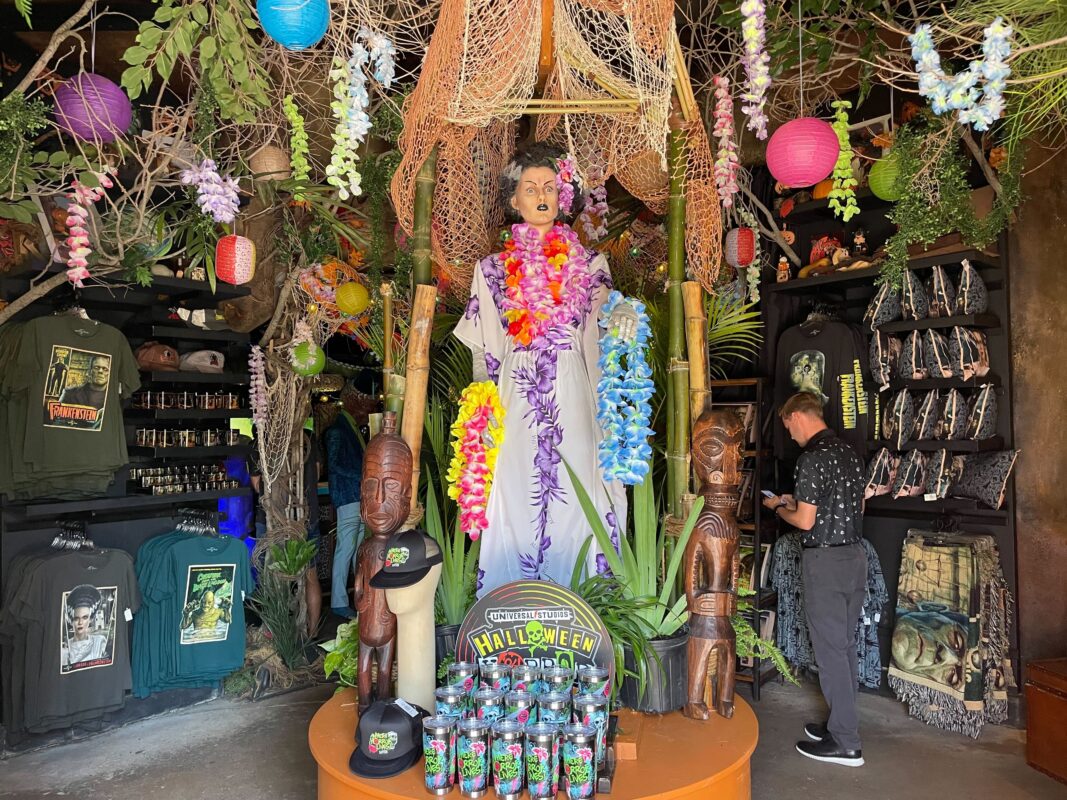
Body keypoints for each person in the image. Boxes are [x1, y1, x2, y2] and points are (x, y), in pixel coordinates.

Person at [453, 143, 635, 593]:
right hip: (516, 391)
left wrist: (626, 312)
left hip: (574, 385)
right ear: (513, 200)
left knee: (579, 486)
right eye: (529, 188)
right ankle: (511, 601)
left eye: (550, 188)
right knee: (513, 488)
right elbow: (484, 347)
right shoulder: (492, 269)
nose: (540, 195)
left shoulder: (590, 263)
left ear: (563, 197)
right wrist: (483, 414)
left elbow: (606, 318)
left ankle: (583, 600)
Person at [762, 391, 866, 768]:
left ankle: (846, 743)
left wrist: (779, 508)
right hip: (855, 556)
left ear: (799, 416)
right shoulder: (849, 454)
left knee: (831, 650)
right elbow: (854, 506)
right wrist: (798, 502)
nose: (789, 435)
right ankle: (842, 724)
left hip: (825, 560)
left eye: (788, 426)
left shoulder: (812, 459)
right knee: (846, 645)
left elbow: (805, 522)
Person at [324, 382, 374, 618]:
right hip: (348, 497)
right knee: (345, 549)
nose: (367, 411)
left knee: (356, 549)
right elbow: (334, 465)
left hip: (358, 496)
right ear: (354, 403)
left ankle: (358, 596)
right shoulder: (337, 431)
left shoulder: (350, 428)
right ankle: (338, 601)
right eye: (364, 405)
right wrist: (363, 476)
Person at [62, 585, 111, 668]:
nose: (80, 622)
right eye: (76, 618)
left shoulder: (99, 641)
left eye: (85, 617)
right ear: (71, 621)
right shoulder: (65, 648)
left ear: (90, 619)